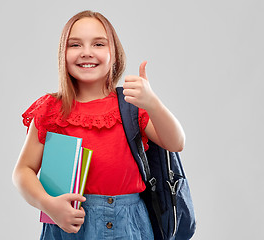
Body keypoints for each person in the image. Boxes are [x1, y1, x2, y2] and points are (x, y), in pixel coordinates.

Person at [12, 10, 185, 240]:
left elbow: (176, 142)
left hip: (129, 226)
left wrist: (153, 104)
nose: (86, 53)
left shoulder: (132, 106)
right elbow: (22, 171)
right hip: (69, 223)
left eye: (98, 44)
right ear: (62, 53)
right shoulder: (51, 109)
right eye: (75, 45)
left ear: (114, 53)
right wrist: (49, 205)